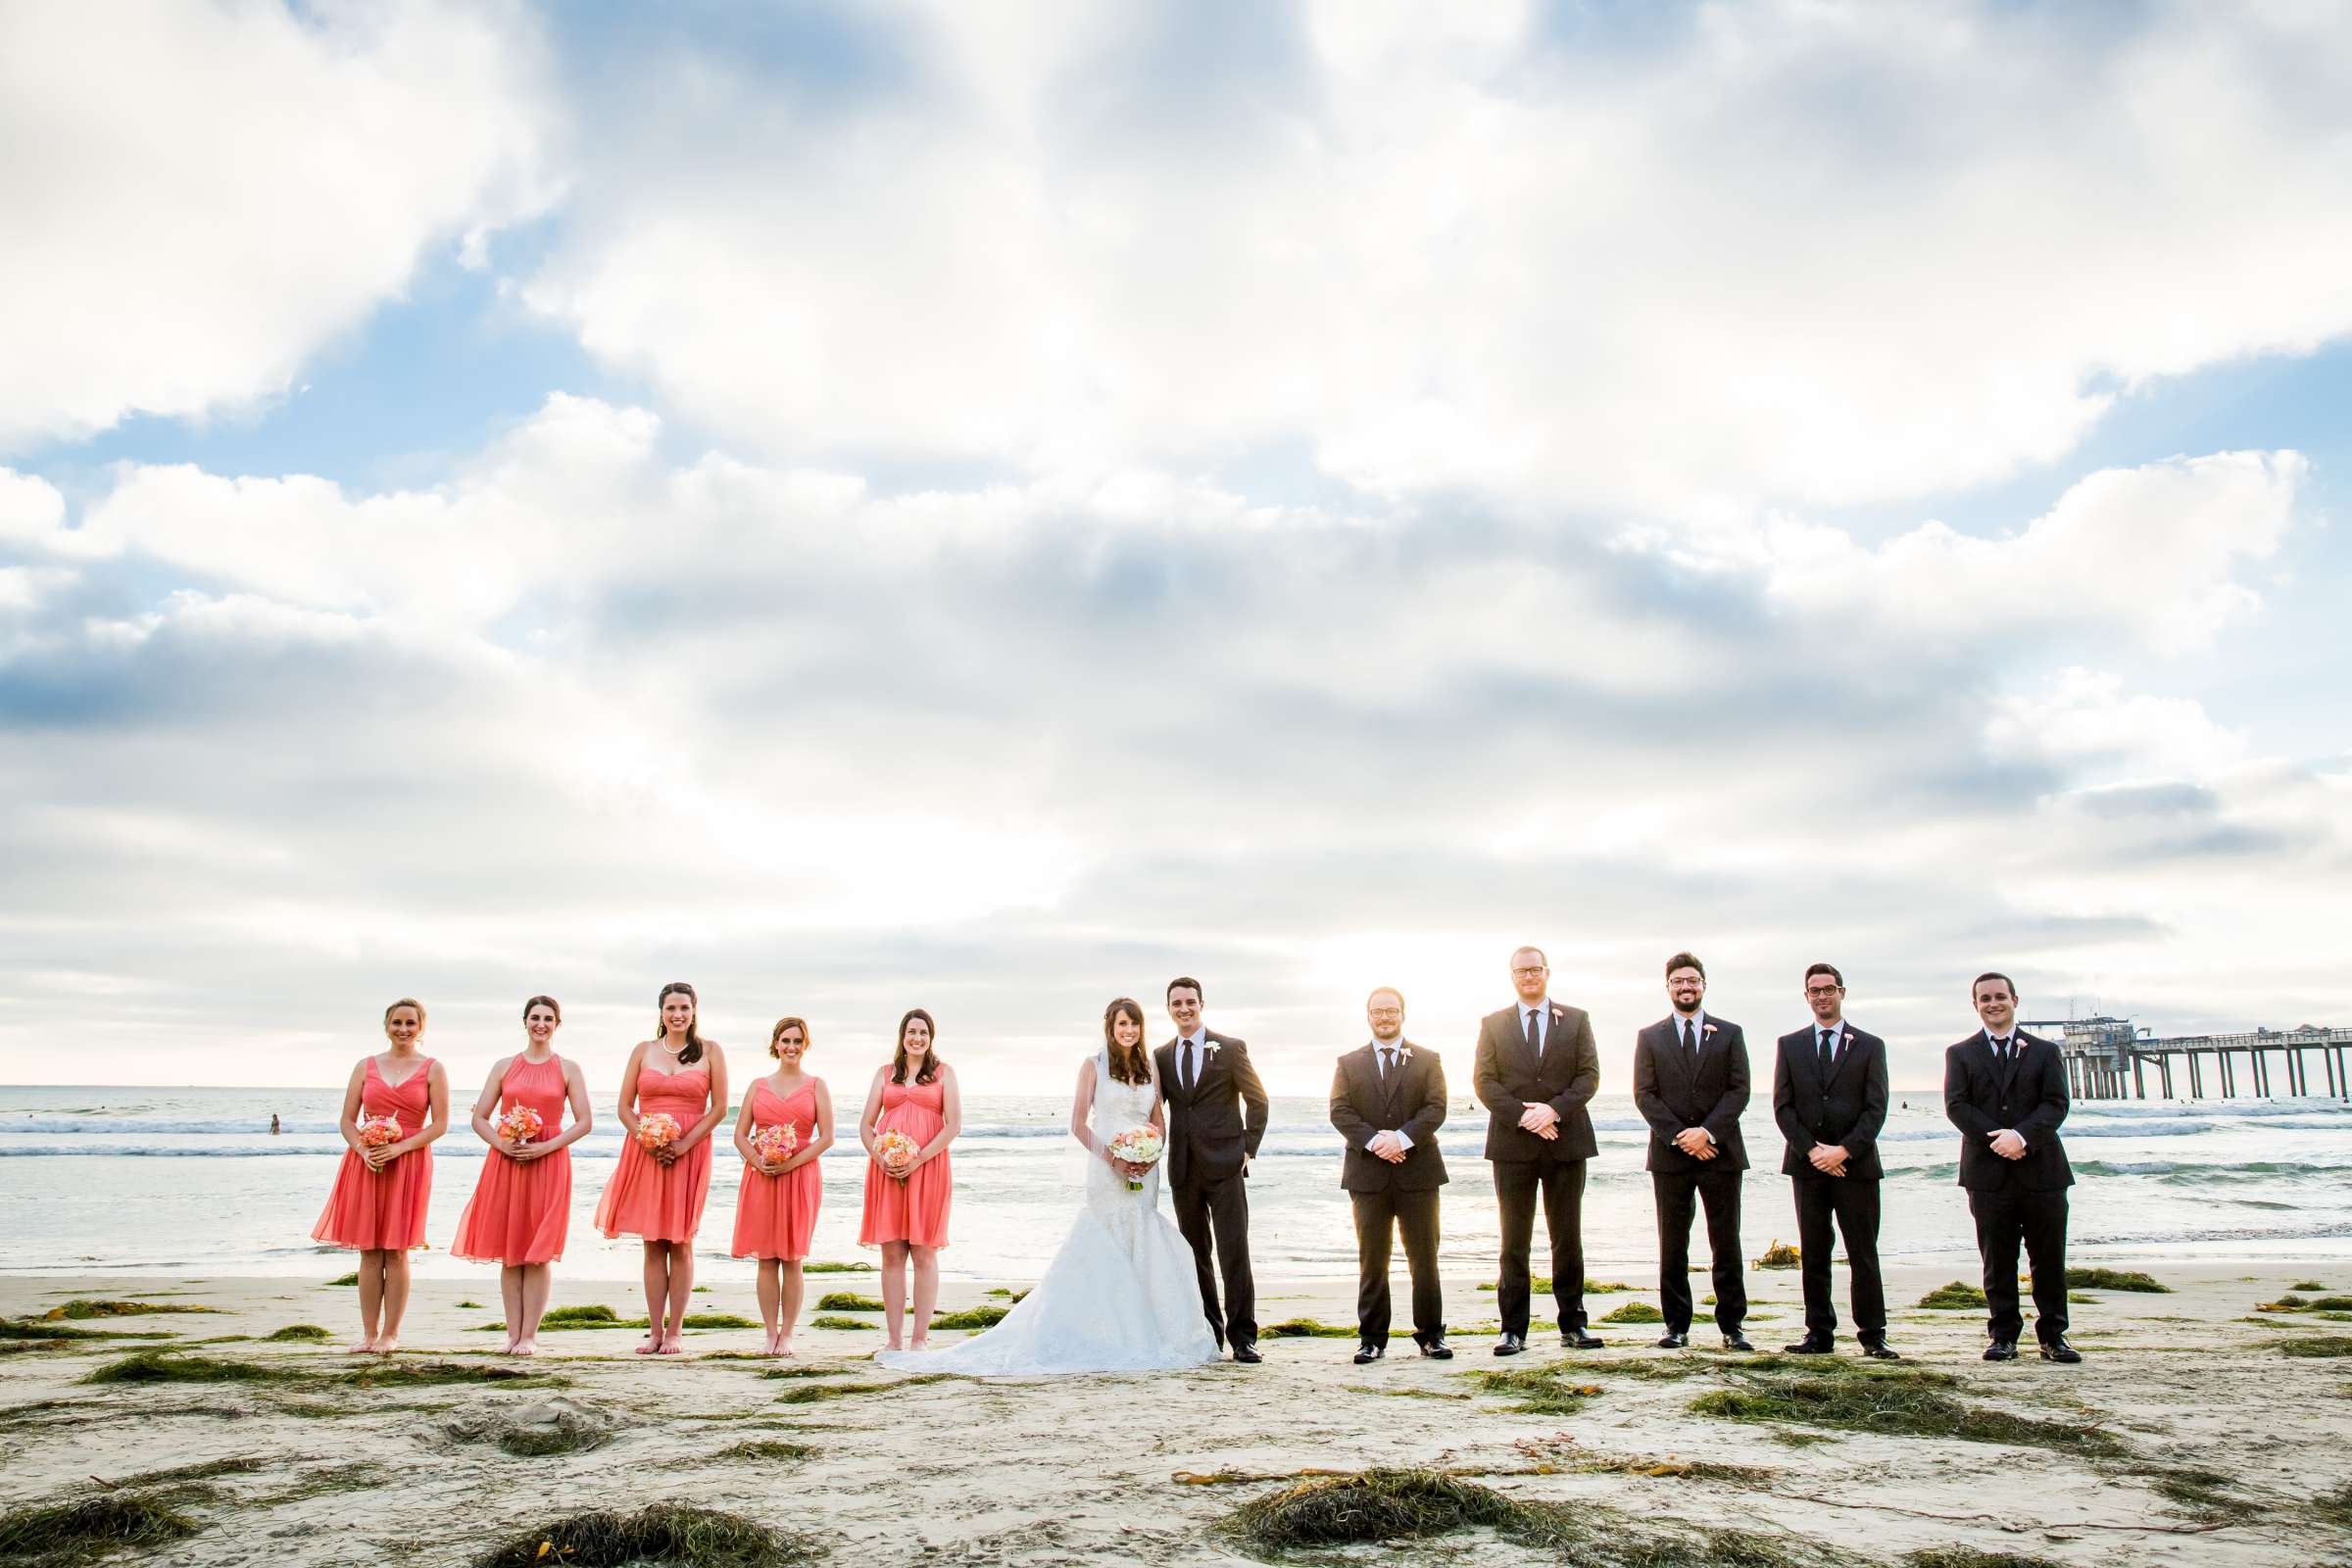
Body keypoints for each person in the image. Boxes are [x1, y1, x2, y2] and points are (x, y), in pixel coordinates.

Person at [878, 999, 1216, 1375]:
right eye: (1122, 1024)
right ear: (1110, 1026)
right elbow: (1078, 1123)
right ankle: (1102, 1328)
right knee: (1108, 1239)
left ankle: (1143, 1329)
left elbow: (1156, 1118)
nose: (1129, 1031)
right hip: (1108, 1169)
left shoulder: (1149, 1065)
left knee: (1141, 1235)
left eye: (1134, 1024)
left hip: (1143, 1170)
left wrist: (1151, 1153)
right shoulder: (1093, 1066)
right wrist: (1115, 1159)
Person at [1474, 945, 1602, 1355]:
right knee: (1514, 1240)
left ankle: (1573, 1325)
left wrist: (1553, 1111)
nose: (1528, 976)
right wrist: (1524, 1116)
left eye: (1535, 969)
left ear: (1547, 972)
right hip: (1513, 1145)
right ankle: (1512, 1329)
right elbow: (1484, 1080)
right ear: (1512, 976)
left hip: (1566, 1143)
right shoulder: (1493, 1024)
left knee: (1567, 1237)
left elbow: (1589, 1076)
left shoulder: (1577, 1019)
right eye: (1521, 971)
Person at [1945, 972, 2078, 1363]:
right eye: (1984, 998)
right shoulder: (1961, 1053)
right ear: (1975, 1005)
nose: (1993, 1003)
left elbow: (2055, 1103)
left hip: (2042, 1172)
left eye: (2000, 996)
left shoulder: (2044, 1051)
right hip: (1987, 1174)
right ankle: (2003, 1335)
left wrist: (2020, 1137)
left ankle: (2053, 1336)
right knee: (1997, 1258)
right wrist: (1998, 1139)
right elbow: (1957, 1105)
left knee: (2048, 1258)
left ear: (2014, 1000)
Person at [452, 995, 595, 1355]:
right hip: (507, 1161)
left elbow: (584, 1122)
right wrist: (502, 1144)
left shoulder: (568, 1068)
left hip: (549, 1160)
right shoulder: (503, 1066)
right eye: (535, 1017)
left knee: (538, 1251)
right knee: (510, 1249)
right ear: (525, 1022)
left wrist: (546, 1147)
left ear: (557, 1024)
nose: (541, 1024)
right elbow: (480, 1117)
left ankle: (530, 1335)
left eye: (548, 1018)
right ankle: (511, 1334)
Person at [595, 981, 728, 1356]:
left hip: (691, 1150)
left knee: (681, 1242)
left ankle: (675, 1332)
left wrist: (683, 1144)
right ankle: (653, 1330)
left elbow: (718, 1108)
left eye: (684, 1008)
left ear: (694, 1010)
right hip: (646, 1150)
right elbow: (624, 1106)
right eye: (671, 1008)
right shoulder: (643, 1051)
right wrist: (647, 1139)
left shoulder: (711, 1052)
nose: (678, 1015)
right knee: (652, 1243)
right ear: (661, 1012)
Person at [311, 999, 449, 1354]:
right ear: (386, 1025)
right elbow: (346, 1120)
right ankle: (369, 1334)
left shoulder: (433, 1069)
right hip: (367, 1162)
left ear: (421, 1029)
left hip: (409, 1163)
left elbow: (440, 1125)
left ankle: (391, 1334)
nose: (403, 1029)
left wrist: (400, 1148)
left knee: (397, 1251)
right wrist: (362, 1148)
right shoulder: (365, 1067)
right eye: (397, 1023)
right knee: (370, 1252)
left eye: (410, 1024)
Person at [1773, 963, 1895, 1358]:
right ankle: (1818, 1333)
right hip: (1806, 1167)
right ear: (1806, 996)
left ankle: (1873, 1334)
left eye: (1829, 989)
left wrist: (1843, 1150)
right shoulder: (1789, 1045)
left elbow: (1876, 1108)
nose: (1822, 996)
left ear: (1842, 992)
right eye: (1814, 991)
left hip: (1855, 1166)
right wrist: (1812, 1150)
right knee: (1814, 1250)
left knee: (1863, 1251)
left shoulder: (1869, 1045)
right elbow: (1783, 1107)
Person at [1630, 953, 1751, 1351]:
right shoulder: (1650, 1036)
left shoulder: (1730, 1033)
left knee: (1726, 1242)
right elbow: (1645, 1095)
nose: (1686, 987)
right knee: (1673, 1243)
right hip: (1671, 1155)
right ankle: (1676, 1325)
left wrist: (1707, 1133)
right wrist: (1682, 1135)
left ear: (1703, 985)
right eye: (1679, 981)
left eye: (1693, 980)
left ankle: (1732, 1327)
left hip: (1721, 1153)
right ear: (1668, 987)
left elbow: (1739, 1090)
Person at [1329, 986, 1449, 1364]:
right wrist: (1374, 1142)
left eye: (1391, 1011)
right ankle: (1372, 1339)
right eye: (1378, 1011)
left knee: (1425, 1258)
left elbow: (1436, 1107)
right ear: (1368, 1016)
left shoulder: (1428, 1059)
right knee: (1372, 1259)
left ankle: (1431, 1336)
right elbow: (1340, 1111)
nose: (1385, 1017)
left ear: (1402, 1014)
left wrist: (1401, 1138)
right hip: (1368, 1175)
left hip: (1419, 1173)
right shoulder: (1348, 1063)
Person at [1153, 976, 1269, 1362]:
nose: (1184, 1009)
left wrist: (1248, 1149)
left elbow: (1258, 1102)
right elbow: (1156, 1109)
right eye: (1176, 1003)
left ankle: (1243, 1337)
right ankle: (1210, 1332)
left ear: (1202, 1003)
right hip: (1183, 1168)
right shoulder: (1162, 1056)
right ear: (1168, 1009)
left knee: (1234, 1251)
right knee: (1195, 1254)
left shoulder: (1231, 1048)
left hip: (1226, 1165)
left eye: (1190, 1002)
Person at [731, 1015, 835, 1356]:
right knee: (765, 1258)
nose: (791, 1047)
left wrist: (791, 1162)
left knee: (791, 1258)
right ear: (775, 1044)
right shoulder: (758, 1085)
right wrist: (757, 1160)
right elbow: (740, 1134)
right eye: (785, 1041)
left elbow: (827, 1138)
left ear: (805, 1045)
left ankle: (788, 1334)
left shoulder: (816, 1085)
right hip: (761, 1176)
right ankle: (769, 1333)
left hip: (800, 1175)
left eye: (797, 1041)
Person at [858, 1008, 960, 1350]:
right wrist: (881, 1157)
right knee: (891, 1255)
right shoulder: (884, 1074)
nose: (917, 1038)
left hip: (928, 1169)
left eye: (923, 1033)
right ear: (902, 1036)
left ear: (931, 1038)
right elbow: (865, 1125)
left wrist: (918, 1158)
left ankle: (919, 1338)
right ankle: (893, 1339)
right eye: (911, 1032)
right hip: (887, 1171)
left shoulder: (944, 1074)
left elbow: (953, 1125)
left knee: (924, 1253)